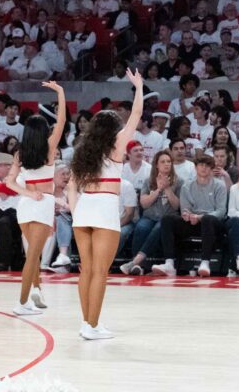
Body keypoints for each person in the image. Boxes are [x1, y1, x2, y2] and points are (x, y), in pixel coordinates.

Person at [68, 68, 144, 340]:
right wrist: (139, 87)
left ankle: (87, 323)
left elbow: (72, 187)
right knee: (100, 272)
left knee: (86, 271)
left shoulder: (82, 151)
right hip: (104, 209)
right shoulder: (116, 144)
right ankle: (92, 325)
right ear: (114, 130)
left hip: (83, 210)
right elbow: (136, 116)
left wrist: (76, 211)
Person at [4, 82, 66, 316]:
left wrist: (28, 193)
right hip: (42, 204)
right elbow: (61, 122)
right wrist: (60, 92)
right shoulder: (50, 148)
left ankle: (37, 290)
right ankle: (21, 303)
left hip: (25, 205)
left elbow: (9, 182)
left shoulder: (20, 153)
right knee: (33, 256)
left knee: (32, 252)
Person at [150, 155, 228, 277]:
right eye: (201, 165)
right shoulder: (187, 186)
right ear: (195, 168)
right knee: (167, 219)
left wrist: (200, 217)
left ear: (212, 169)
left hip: (213, 224)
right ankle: (169, 263)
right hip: (193, 221)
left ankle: (205, 262)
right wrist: (187, 215)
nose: (204, 168)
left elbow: (221, 211)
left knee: (208, 219)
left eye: (207, 165)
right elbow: (185, 209)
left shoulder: (219, 185)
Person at [119, 150, 181, 275]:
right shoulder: (148, 181)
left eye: (169, 161)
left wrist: (167, 188)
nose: (166, 164)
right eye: (163, 162)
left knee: (159, 228)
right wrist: (158, 189)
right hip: (149, 216)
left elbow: (176, 206)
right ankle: (139, 266)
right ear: (157, 165)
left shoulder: (179, 182)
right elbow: (144, 203)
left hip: (168, 217)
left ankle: (135, 262)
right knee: (141, 227)